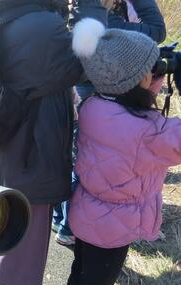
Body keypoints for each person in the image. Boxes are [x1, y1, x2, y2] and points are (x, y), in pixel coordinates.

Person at [0, 0, 108, 285]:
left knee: (5, 221)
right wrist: (90, 8)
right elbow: (89, 60)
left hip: (2, 138)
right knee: (22, 231)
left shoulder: (0, 10)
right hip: (30, 147)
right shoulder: (39, 25)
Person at [60, 18, 181, 285]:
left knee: (80, 277)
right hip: (114, 227)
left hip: (87, 213)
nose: (159, 75)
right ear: (137, 82)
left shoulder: (95, 105)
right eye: (153, 71)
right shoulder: (147, 132)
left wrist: (150, 78)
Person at [52, 0, 166, 246]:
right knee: (93, 157)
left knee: (82, 151)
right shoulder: (96, 13)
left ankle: (64, 218)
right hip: (104, 81)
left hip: (86, 84)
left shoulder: (77, 9)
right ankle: (68, 224)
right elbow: (156, 31)